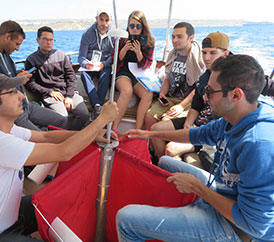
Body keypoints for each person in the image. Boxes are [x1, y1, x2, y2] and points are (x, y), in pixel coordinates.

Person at [117, 54, 274, 242]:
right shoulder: (238, 115)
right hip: (224, 191)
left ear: (236, 95)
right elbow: (196, 134)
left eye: (210, 90)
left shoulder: (258, 145)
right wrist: (150, 134)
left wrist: (197, 188)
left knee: (125, 219)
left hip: (238, 230)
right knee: (165, 162)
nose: (205, 96)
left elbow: (255, 225)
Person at [0, 71, 118, 242]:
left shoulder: (3, 129)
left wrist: (92, 134)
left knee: (60, 198)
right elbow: (63, 152)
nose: (21, 96)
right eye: (11, 92)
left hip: (10, 217)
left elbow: (45, 137)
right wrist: (101, 120)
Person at [151, 32, 230, 160]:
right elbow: (196, 105)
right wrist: (188, 124)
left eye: (213, 53)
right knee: (155, 129)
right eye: (204, 52)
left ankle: (168, 169)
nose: (207, 58)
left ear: (226, 53)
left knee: (171, 149)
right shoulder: (204, 78)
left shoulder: (236, 75)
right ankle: (161, 166)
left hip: (212, 131)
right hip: (198, 123)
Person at [0, 20, 66, 131]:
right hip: (12, 113)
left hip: (25, 105)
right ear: (7, 37)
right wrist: (17, 81)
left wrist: (16, 75)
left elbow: (6, 77)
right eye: (17, 44)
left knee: (63, 121)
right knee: (44, 137)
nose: (18, 49)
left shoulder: (5, 53)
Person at [25, 26, 89, 130]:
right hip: (50, 95)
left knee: (84, 114)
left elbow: (71, 76)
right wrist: (49, 92)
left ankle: (71, 135)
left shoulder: (60, 55)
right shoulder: (31, 60)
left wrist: (69, 96)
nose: (49, 42)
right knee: (62, 118)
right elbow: (30, 84)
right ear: (38, 40)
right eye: (45, 39)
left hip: (67, 92)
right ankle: (60, 139)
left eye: (51, 39)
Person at [145, 22, 205, 130]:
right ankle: (150, 146)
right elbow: (167, 78)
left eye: (179, 37)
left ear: (191, 38)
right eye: (173, 37)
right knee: (149, 117)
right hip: (171, 97)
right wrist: (163, 93)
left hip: (188, 102)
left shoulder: (199, 59)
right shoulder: (173, 55)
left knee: (164, 122)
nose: (174, 40)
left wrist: (181, 106)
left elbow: (198, 88)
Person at [112, 10, 155, 130]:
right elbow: (115, 61)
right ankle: (114, 129)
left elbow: (146, 65)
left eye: (138, 26)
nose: (134, 29)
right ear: (128, 26)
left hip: (138, 73)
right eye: (131, 26)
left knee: (148, 94)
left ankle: (138, 130)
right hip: (123, 72)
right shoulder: (121, 39)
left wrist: (138, 52)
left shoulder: (149, 42)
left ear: (143, 27)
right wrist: (124, 49)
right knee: (127, 91)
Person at [78, 8, 114, 119]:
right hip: (91, 65)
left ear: (110, 20)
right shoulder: (87, 34)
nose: (104, 23)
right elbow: (81, 57)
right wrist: (86, 64)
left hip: (104, 65)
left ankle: (97, 107)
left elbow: (114, 56)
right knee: (84, 74)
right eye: (101, 19)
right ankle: (98, 106)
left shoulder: (114, 35)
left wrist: (104, 64)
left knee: (106, 74)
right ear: (96, 19)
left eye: (106, 20)